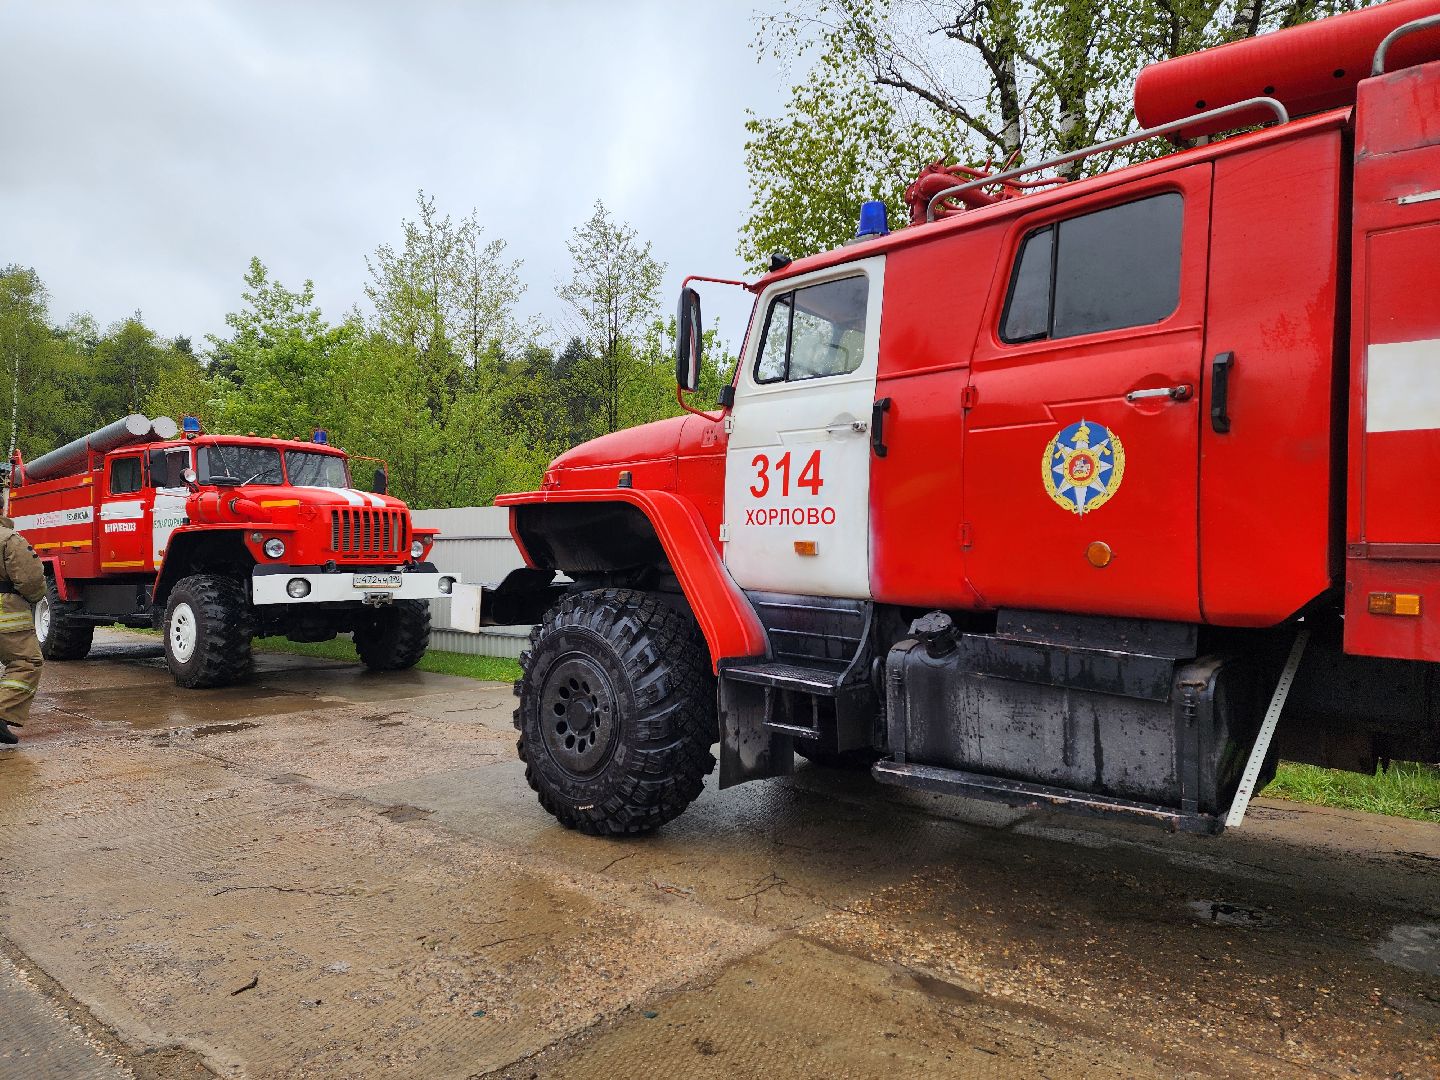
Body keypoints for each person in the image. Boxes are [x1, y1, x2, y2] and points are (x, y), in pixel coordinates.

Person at [0, 514, 45, 746]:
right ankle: (2, 712)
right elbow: (31, 580)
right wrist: (34, 598)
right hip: (6, 614)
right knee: (26, 663)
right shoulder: (9, 539)